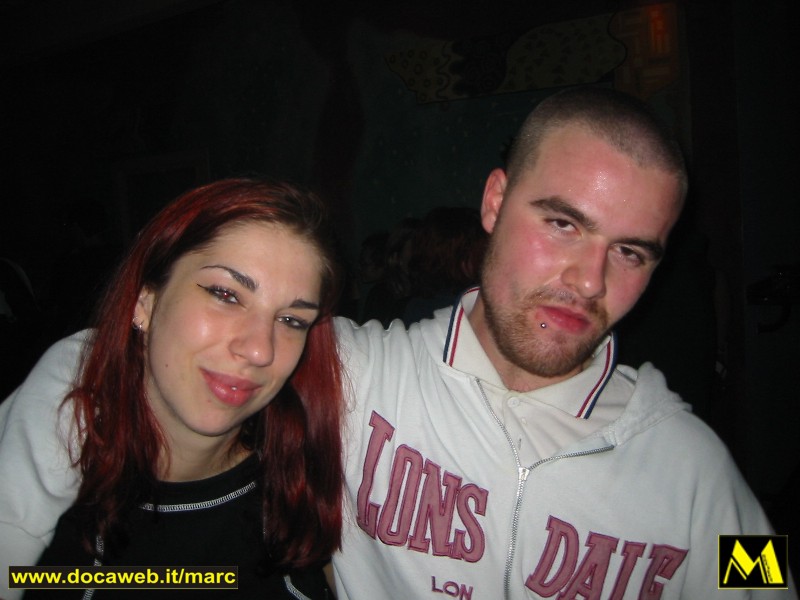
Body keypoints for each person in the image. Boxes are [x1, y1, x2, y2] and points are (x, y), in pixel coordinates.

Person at [331, 87, 796, 598]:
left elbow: (768, 587)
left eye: (629, 252)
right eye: (563, 224)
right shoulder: (350, 378)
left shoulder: (698, 470)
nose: (590, 281)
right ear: (495, 202)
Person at [0, 178, 344, 599]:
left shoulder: (310, 492)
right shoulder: (44, 502)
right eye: (226, 294)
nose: (259, 350)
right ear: (144, 301)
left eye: (292, 320)